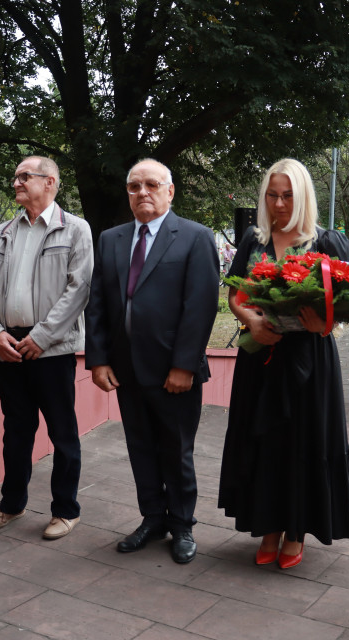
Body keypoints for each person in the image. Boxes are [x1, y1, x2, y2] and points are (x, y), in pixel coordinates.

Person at [217, 158, 349, 570]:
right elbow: (234, 295)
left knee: (303, 442)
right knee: (263, 441)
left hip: (309, 363)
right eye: (272, 195)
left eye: (287, 195)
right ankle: (269, 526)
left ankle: (295, 531)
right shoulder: (252, 241)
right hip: (260, 358)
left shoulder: (326, 242)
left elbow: (347, 305)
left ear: (304, 196)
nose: (279, 203)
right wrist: (251, 321)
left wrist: (325, 322)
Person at [85, 158, 219, 564]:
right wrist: (98, 359)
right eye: (134, 186)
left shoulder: (195, 237)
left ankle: (182, 525)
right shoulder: (110, 239)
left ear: (169, 191)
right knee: (140, 447)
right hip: (125, 368)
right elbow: (98, 304)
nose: (142, 192)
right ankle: (152, 518)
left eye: (151, 185)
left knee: (176, 450)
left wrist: (184, 365)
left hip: (173, 372)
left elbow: (200, 307)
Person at [0, 155, 93, 541]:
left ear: (51, 182)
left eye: (25, 176)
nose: (16, 183)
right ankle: (12, 504)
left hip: (51, 350)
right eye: (15, 177)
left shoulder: (75, 229)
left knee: (63, 433)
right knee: (16, 431)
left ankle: (65, 510)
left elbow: (79, 289)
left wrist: (42, 337)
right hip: (6, 346)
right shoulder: (1, 232)